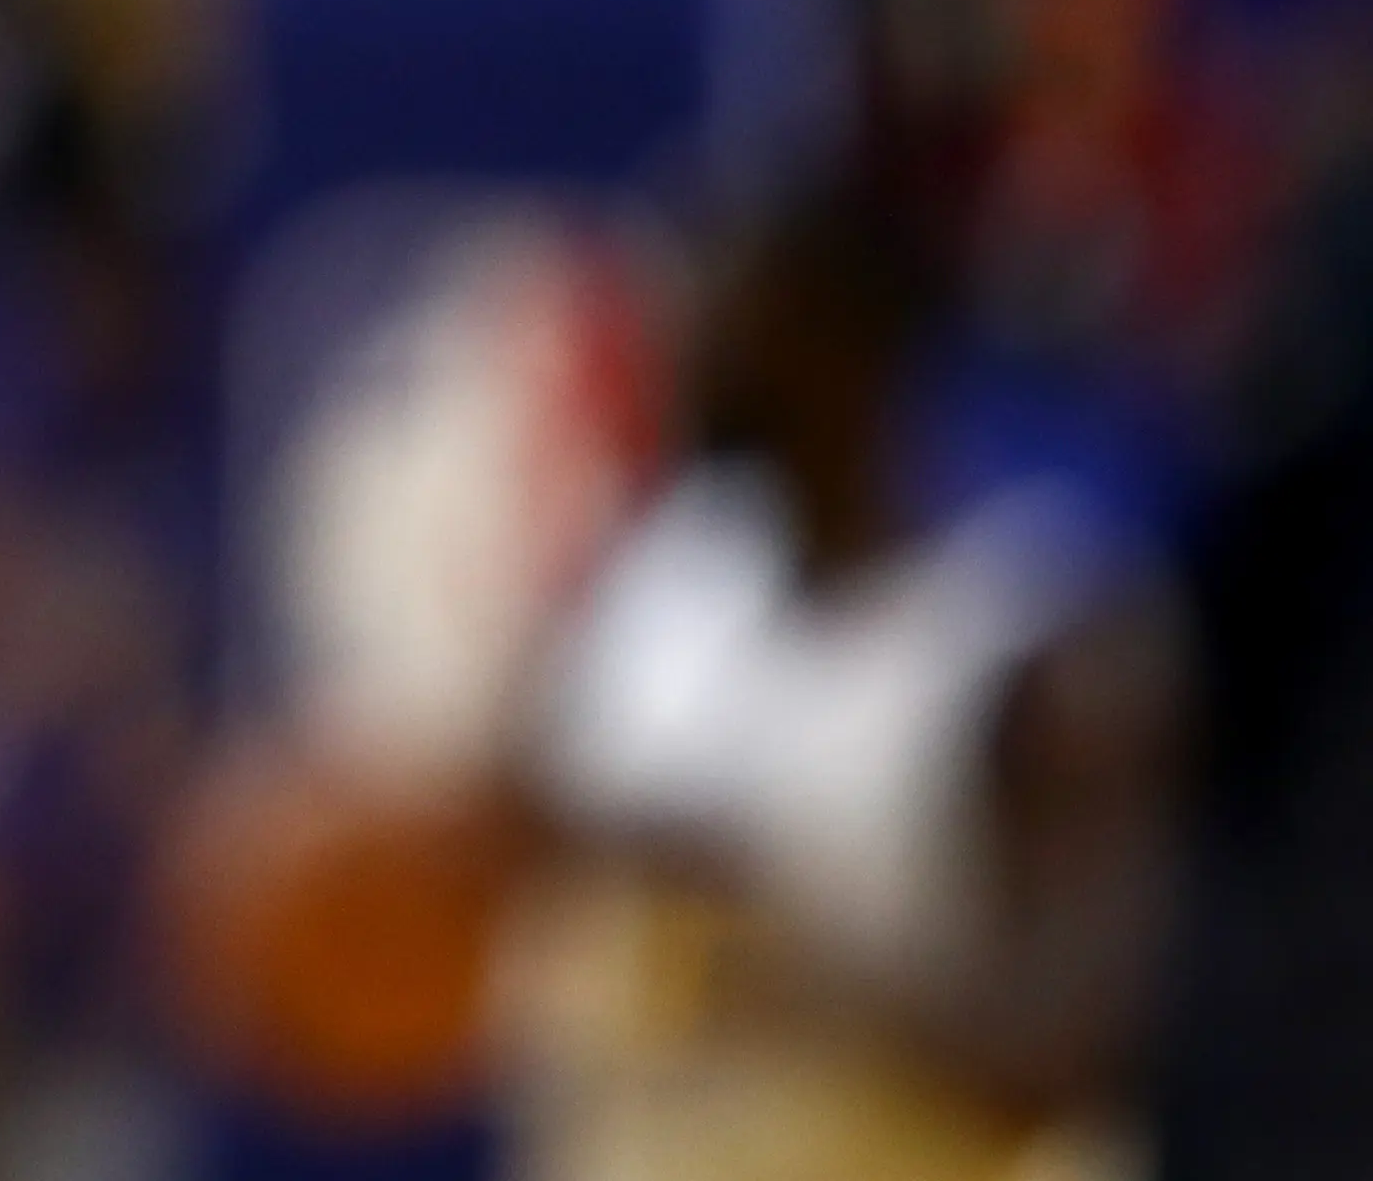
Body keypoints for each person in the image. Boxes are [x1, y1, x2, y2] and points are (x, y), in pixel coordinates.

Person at [499, 184, 1180, 1181]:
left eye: (749, 313)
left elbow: (1070, 1053)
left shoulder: (1029, 641)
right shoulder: (650, 590)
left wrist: (769, 949)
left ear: (859, 344)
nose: (708, 347)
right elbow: (531, 862)